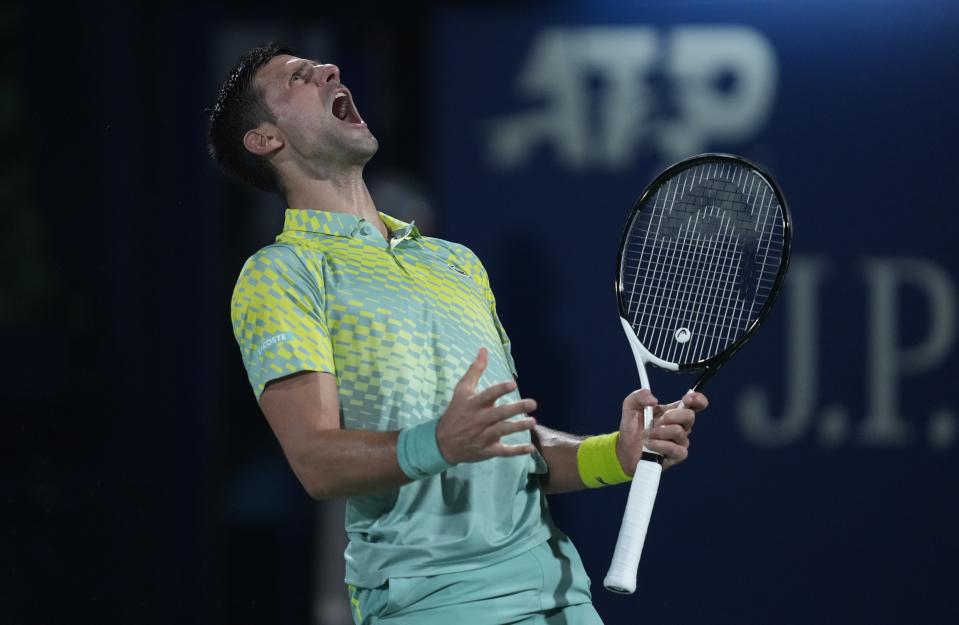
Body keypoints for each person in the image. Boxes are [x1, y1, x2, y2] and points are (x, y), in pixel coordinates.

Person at [208, 42, 708, 625]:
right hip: (431, 604)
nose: (329, 70)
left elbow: (505, 444)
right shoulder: (283, 272)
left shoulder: (455, 264)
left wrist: (613, 455)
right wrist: (440, 443)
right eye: (298, 77)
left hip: (558, 598)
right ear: (266, 139)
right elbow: (317, 461)